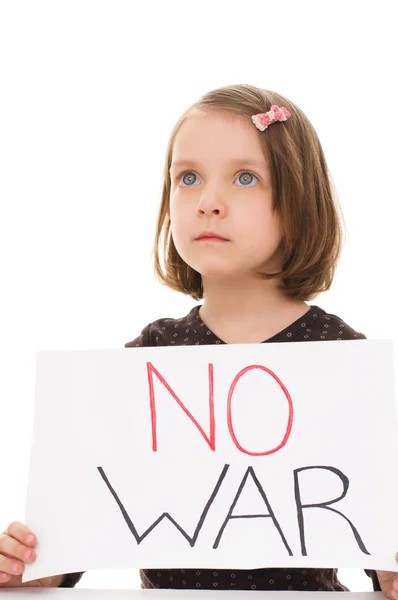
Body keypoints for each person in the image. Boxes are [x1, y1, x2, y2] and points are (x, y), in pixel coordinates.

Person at [1, 84, 396, 596]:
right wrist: (35, 564)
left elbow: (372, 525)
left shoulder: (339, 355)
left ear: (299, 202)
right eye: (188, 178)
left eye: (246, 178)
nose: (208, 202)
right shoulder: (152, 356)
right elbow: (94, 512)